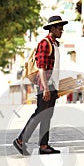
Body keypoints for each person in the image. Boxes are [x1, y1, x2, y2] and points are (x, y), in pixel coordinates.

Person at [13, 15, 68, 155]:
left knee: (47, 115)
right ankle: (20, 141)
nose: (62, 31)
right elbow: (41, 67)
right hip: (46, 86)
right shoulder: (45, 43)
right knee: (39, 114)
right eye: (60, 28)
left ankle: (44, 146)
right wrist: (45, 88)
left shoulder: (55, 44)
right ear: (53, 28)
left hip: (52, 86)